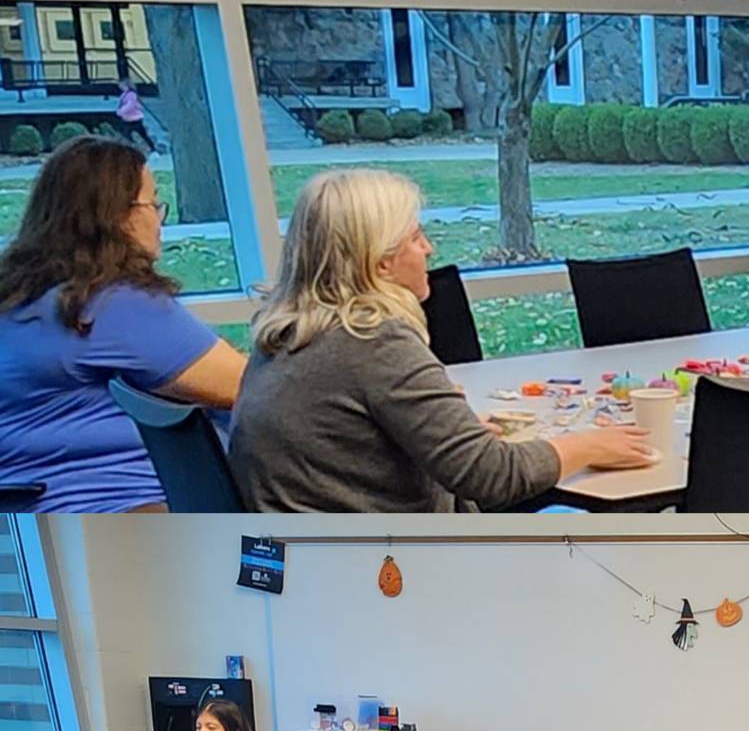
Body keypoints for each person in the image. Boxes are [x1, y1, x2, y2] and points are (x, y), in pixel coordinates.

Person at [230, 168, 655, 511]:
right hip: (394, 577)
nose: (429, 249)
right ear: (380, 264)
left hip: (318, 570)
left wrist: (449, 435)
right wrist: (590, 444)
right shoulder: (372, 340)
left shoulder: (286, 335)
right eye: (415, 238)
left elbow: (353, 444)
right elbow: (491, 477)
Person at [0, 136, 246, 511]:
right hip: (121, 515)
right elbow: (254, 390)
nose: (159, 220)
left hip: (30, 519)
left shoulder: (22, 297)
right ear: (119, 216)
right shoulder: (112, 304)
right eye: (152, 203)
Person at [115, 79, 157, 153]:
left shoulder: (131, 94)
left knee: (142, 134)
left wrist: (120, 112)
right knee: (127, 135)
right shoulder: (125, 94)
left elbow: (130, 105)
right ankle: (131, 148)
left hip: (134, 119)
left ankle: (152, 148)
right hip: (127, 119)